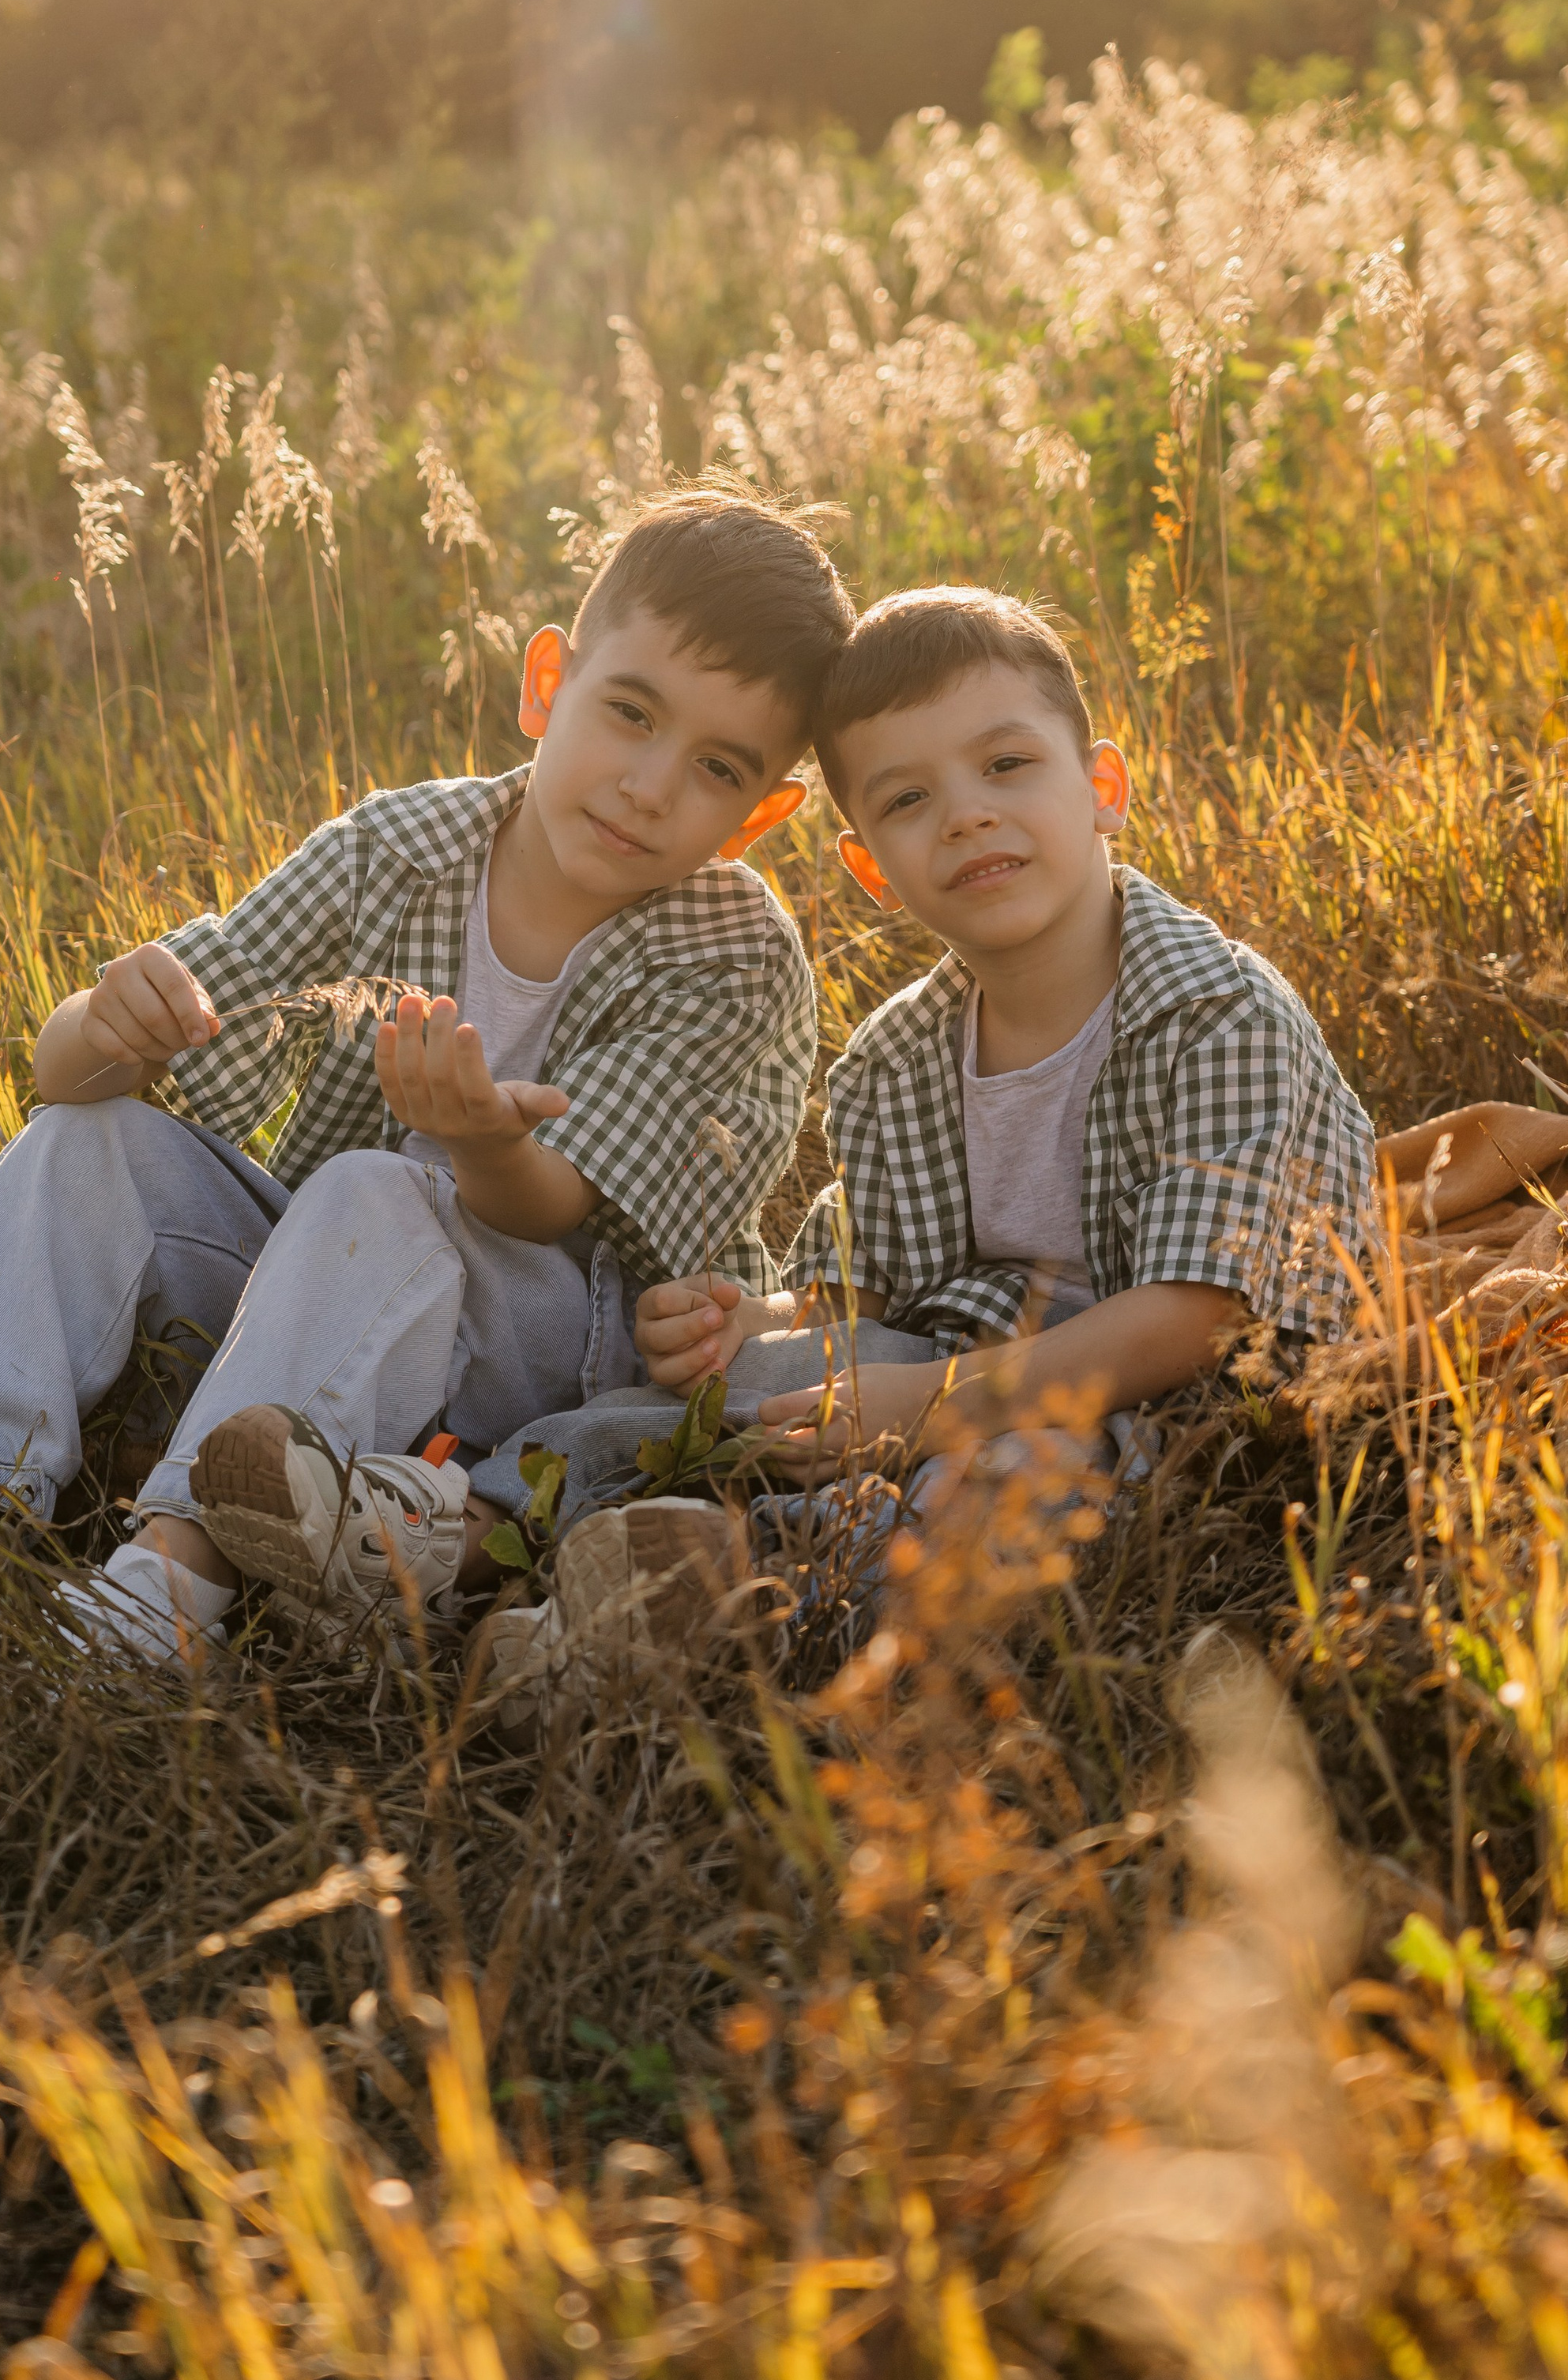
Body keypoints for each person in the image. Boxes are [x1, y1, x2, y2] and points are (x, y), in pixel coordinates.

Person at [0, 488, 852, 1731]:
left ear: (763, 813)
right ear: (548, 684)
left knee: (388, 1182)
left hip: (564, 1348)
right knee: (85, 1142)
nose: (651, 784)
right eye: (631, 713)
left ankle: (165, 1591)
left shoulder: (735, 954)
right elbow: (71, 1069)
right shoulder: (401, 845)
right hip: (330, 1292)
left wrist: (479, 1136)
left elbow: (553, 1201)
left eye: (718, 768)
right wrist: (101, 1023)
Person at [533, 584, 1375, 1654]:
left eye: (1007, 766)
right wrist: (761, 1319)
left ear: (1103, 786)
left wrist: (928, 1403)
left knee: (997, 1490)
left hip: (1168, 1400)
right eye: (908, 800)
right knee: (706, 1394)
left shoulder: (1216, 1011)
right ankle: (459, 1534)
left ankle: (727, 1600)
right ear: (871, 870)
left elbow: (1199, 1316)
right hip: (951, 1364)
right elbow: (871, 1295)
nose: (968, 812)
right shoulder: (895, 1056)